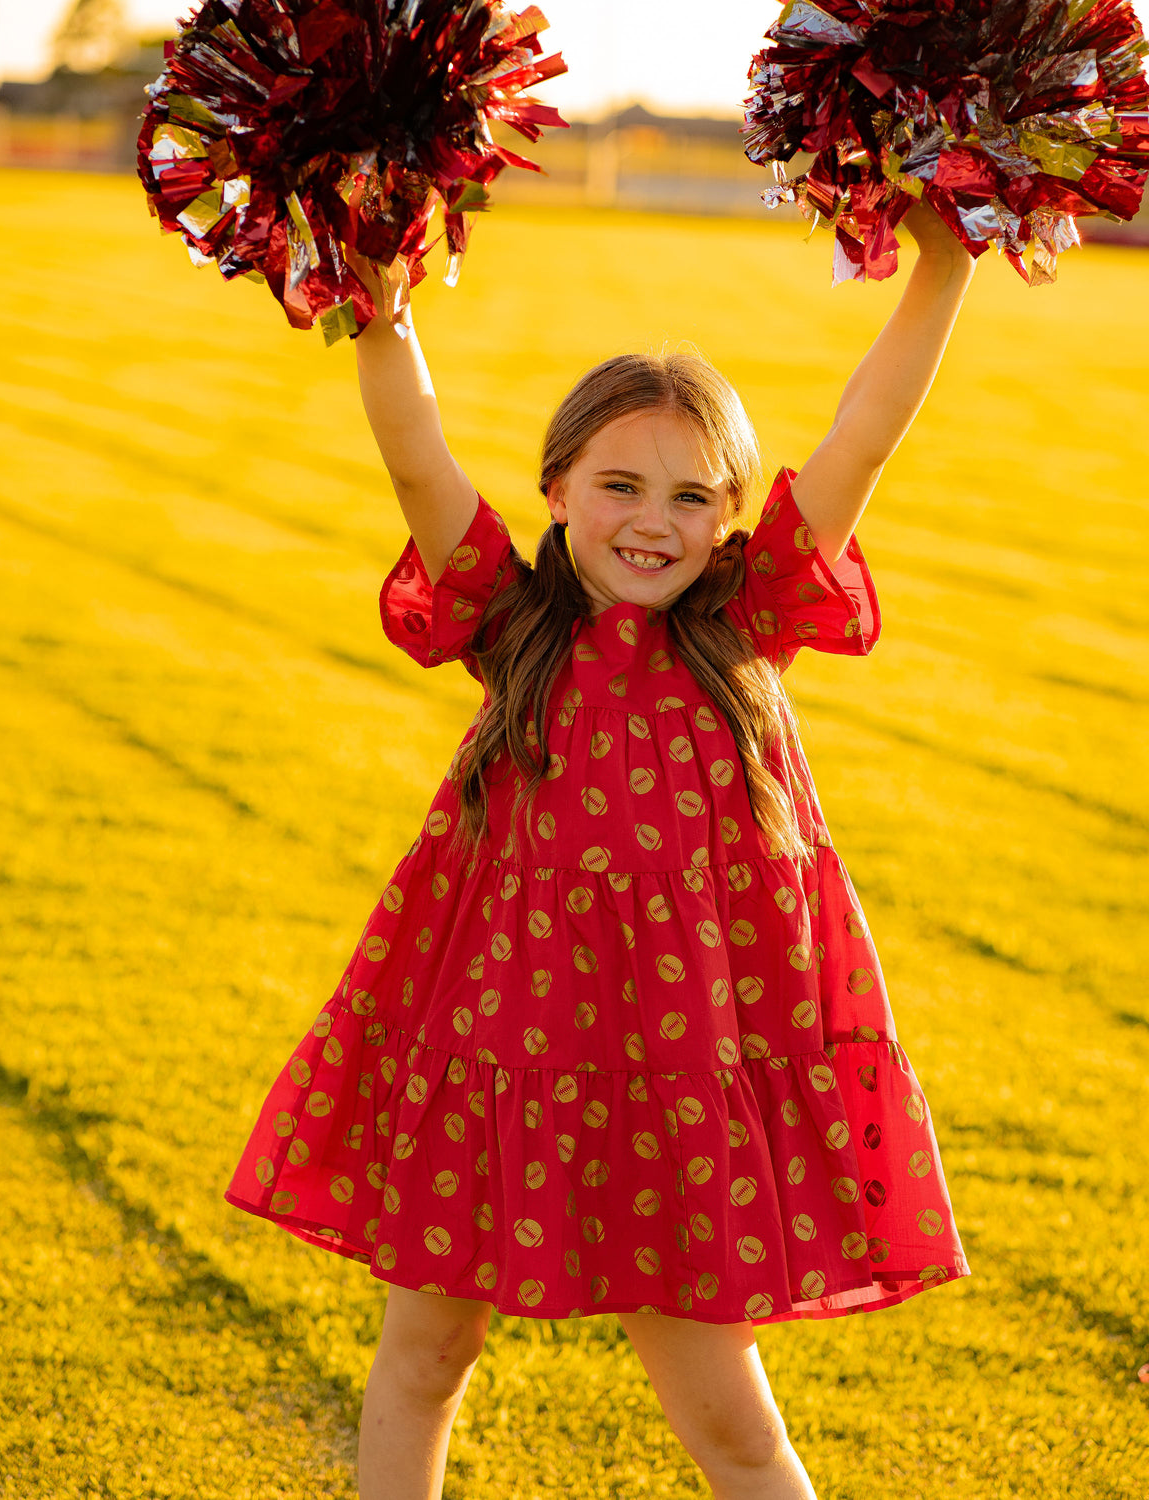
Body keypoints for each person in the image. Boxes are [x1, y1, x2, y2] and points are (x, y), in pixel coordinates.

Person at [225, 201, 976, 1500]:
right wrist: (385, 309)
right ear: (558, 486)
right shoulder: (512, 625)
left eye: (693, 499)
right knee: (422, 1360)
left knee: (732, 1425)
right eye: (620, 486)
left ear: (732, 521)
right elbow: (415, 456)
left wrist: (945, 265)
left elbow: (860, 441)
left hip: (675, 1093)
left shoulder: (745, 631)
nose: (653, 522)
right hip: (493, 1062)